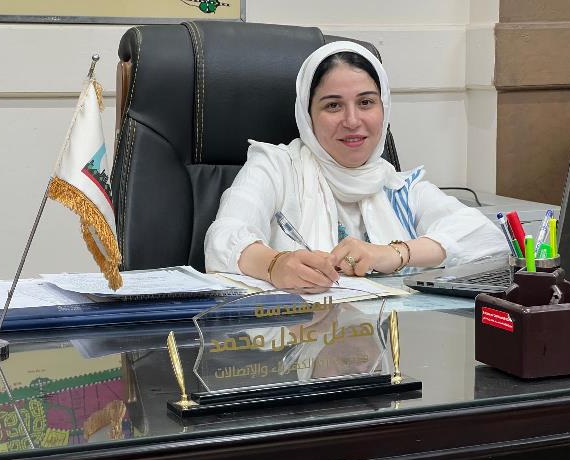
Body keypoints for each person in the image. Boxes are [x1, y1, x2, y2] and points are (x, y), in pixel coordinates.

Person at [204, 41, 507, 288]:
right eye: (333, 105)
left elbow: (487, 239)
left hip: (391, 337)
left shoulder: (398, 187)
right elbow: (222, 239)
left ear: (383, 108)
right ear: (307, 116)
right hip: (294, 336)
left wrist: (392, 253)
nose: (352, 121)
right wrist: (275, 265)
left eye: (365, 102)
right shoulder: (275, 167)